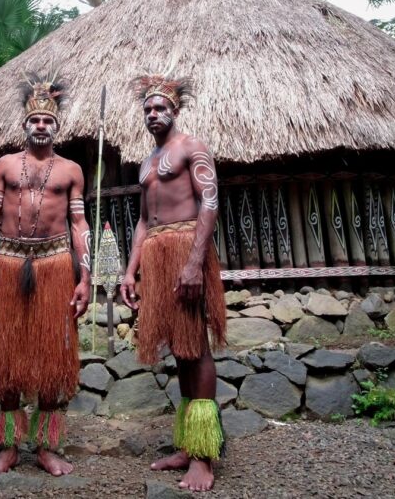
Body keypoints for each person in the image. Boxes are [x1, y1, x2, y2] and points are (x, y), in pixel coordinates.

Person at [0, 74, 91, 479]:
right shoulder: (5, 165)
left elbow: (79, 223)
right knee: (6, 352)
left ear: (57, 126)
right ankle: (8, 448)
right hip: (7, 262)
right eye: (35, 120)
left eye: (48, 121)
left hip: (55, 264)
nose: (41, 126)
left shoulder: (71, 170)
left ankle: (45, 446)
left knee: (53, 354)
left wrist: (84, 277)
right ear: (25, 123)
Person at [119, 74, 227, 492]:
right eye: (147, 109)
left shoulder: (191, 146)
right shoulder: (147, 162)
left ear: (175, 110)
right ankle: (187, 444)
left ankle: (203, 457)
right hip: (157, 252)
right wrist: (131, 270)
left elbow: (209, 202)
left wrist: (194, 262)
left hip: (186, 248)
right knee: (179, 348)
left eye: (160, 107)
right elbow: (144, 220)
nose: (153, 114)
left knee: (195, 345)